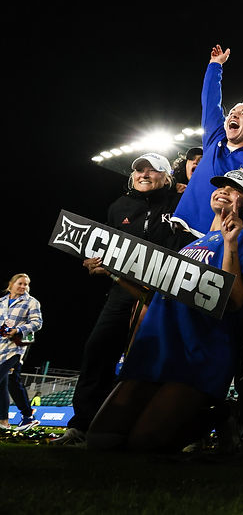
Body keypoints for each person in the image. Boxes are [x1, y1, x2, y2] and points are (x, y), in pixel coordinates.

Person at [87, 170, 243, 452]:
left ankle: (219, 415)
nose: (223, 191)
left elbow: (236, 300)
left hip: (196, 354)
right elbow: (153, 297)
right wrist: (114, 274)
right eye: (220, 186)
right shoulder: (190, 245)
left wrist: (229, 244)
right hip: (158, 353)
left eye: (234, 189)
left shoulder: (242, 240)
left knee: (146, 444)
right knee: (101, 441)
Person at [54, 152, 184, 446]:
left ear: (167, 177)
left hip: (166, 295)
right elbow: (102, 250)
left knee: (165, 356)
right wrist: (93, 262)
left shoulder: (180, 202)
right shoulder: (118, 207)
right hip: (122, 290)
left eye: (152, 171)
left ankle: (167, 428)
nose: (144, 175)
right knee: (98, 349)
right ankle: (82, 426)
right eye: (139, 170)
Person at [171, 44, 243, 237]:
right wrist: (215, 66)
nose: (234, 114)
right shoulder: (214, 139)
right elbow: (210, 102)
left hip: (219, 237)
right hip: (180, 228)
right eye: (232, 112)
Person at [1, 274, 42, 431]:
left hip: (15, 348)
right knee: (9, 382)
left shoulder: (31, 302)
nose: (23, 286)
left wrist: (18, 329)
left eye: (26, 284)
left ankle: (24, 417)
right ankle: (9, 420)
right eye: (20, 283)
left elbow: (37, 323)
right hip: (0, 347)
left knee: (5, 379)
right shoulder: (1, 302)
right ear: (11, 285)